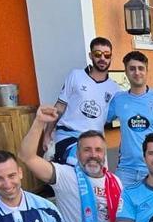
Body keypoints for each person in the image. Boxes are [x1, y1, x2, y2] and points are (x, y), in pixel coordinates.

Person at [20, 106, 123, 222]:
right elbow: (27, 156)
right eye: (87, 150)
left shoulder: (115, 182)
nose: (93, 155)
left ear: (104, 153)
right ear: (77, 153)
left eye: (98, 150)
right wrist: (39, 122)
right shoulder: (65, 175)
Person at [105, 51, 153, 188]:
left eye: (141, 68)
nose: (137, 72)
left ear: (147, 71)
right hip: (126, 171)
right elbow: (99, 120)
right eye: (132, 69)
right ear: (126, 72)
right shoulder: (118, 99)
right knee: (122, 208)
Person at [47, 36, 122, 164]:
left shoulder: (115, 88)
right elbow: (59, 107)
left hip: (95, 141)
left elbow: (115, 116)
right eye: (97, 54)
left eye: (107, 55)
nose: (102, 58)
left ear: (111, 57)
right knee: (76, 166)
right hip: (69, 136)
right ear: (90, 55)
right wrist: (47, 134)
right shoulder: (76, 76)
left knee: (97, 180)